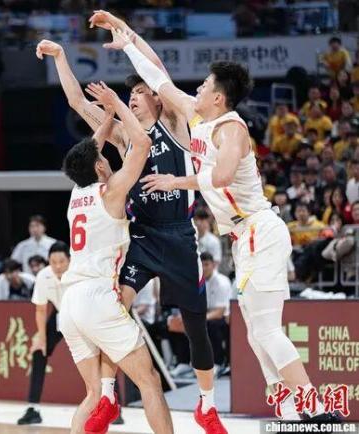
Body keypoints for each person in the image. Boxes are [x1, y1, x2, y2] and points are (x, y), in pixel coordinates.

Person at [124, 26, 334, 422]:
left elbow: (221, 176)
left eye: (204, 85)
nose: (197, 88)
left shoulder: (231, 129)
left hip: (260, 230)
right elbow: (158, 76)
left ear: (218, 97)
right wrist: (127, 37)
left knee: (266, 330)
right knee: (256, 333)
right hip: (243, 237)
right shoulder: (197, 116)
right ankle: (291, 412)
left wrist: (175, 181)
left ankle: (316, 409)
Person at [82, 10, 225, 431]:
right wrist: (61, 63)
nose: (134, 97)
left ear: (158, 99)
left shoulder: (177, 123)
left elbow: (155, 67)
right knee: (114, 310)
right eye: (131, 93)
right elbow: (80, 104)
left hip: (179, 237)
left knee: (196, 327)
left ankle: (207, 405)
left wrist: (123, 30)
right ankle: (107, 397)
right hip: (142, 236)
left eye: (141, 92)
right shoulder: (127, 136)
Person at [57, 85, 172, 434]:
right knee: (150, 381)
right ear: (99, 166)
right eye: (103, 158)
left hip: (69, 303)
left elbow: (88, 151)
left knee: (93, 394)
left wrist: (105, 118)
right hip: (97, 297)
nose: (107, 158)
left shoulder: (76, 193)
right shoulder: (112, 191)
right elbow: (143, 146)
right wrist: (118, 106)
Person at [17, 241, 71, 425]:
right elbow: (40, 309)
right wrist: (41, 337)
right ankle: (33, 409)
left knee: (101, 355)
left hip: (82, 316)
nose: (58, 266)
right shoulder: (44, 275)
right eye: (53, 262)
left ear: (70, 260)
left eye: (62, 261)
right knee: (39, 351)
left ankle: (114, 406)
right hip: (59, 314)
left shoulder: (80, 272)